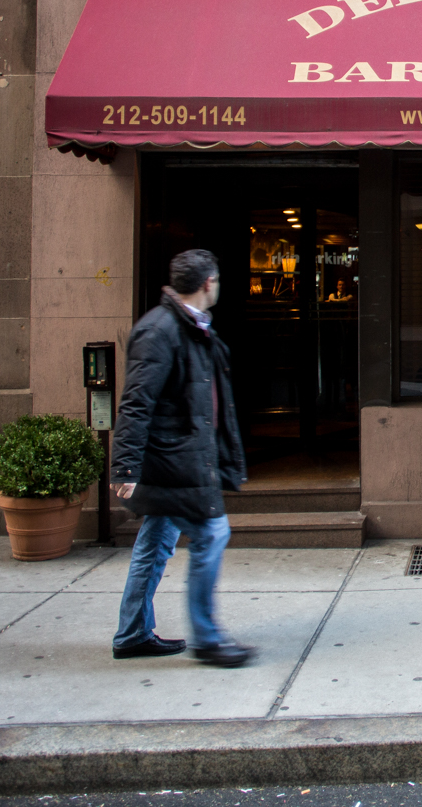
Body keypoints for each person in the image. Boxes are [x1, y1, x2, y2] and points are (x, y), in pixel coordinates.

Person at [109, 249, 256, 667]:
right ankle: (208, 639)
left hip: (179, 459)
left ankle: (132, 632)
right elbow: (137, 404)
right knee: (213, 533)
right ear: (208, 283)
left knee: (154, 544)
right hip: (175, 463)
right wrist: (125, 465)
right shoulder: (161, 330)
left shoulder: (190, 327)